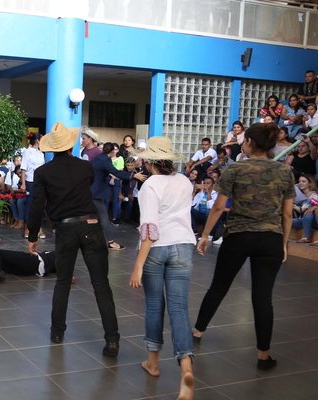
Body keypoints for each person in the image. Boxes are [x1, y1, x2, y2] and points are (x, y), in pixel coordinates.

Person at [192, 122, 295, 371]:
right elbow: (288, 214)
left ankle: (197, 332)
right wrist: (284, 243)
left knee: (219, 286)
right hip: (270, 238)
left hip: (238, 236)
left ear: (248, 142)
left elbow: (218, 207)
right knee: (262, 296)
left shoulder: (235, 169)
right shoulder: (284, 172)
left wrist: (205, 236)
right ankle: (263, 355)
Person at [27, 122, 121, 356]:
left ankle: (57, 332)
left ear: (52, 148)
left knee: (62, 282)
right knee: (101, 284)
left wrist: (32, 235)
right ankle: (112, 340)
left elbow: (37, 205)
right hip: (91, 225)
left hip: (66, 229)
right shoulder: (84, 168)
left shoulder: (42, 172)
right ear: (70, 145)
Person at [127, 136, 195, 400]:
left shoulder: (150, 185)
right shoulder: (184, 181)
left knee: (155, 305)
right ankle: (186, 367)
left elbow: (150, 229)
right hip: (183, 245)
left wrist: (137, 265)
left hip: (156, 249)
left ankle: (153, 364)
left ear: (149, 160)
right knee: (179, 307)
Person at [92, 142, 144, 250]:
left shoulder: (98, 158)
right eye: (114, 150)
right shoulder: (105, 160)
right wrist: (134, 175)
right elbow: (117, 172)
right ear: (111, 152)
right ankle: (110, 242)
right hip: (95, 193)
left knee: (93, 218)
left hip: (91, 191)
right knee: (104, 218)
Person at [22, 132, 45, 238]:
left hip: (40, 182)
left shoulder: (41, 153)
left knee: (39, 205)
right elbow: (23, 168)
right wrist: (23, 183)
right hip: (30, 181)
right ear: (37, 140)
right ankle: (27, 228)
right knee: (30, 205)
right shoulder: (27, 152)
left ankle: (39, 228)